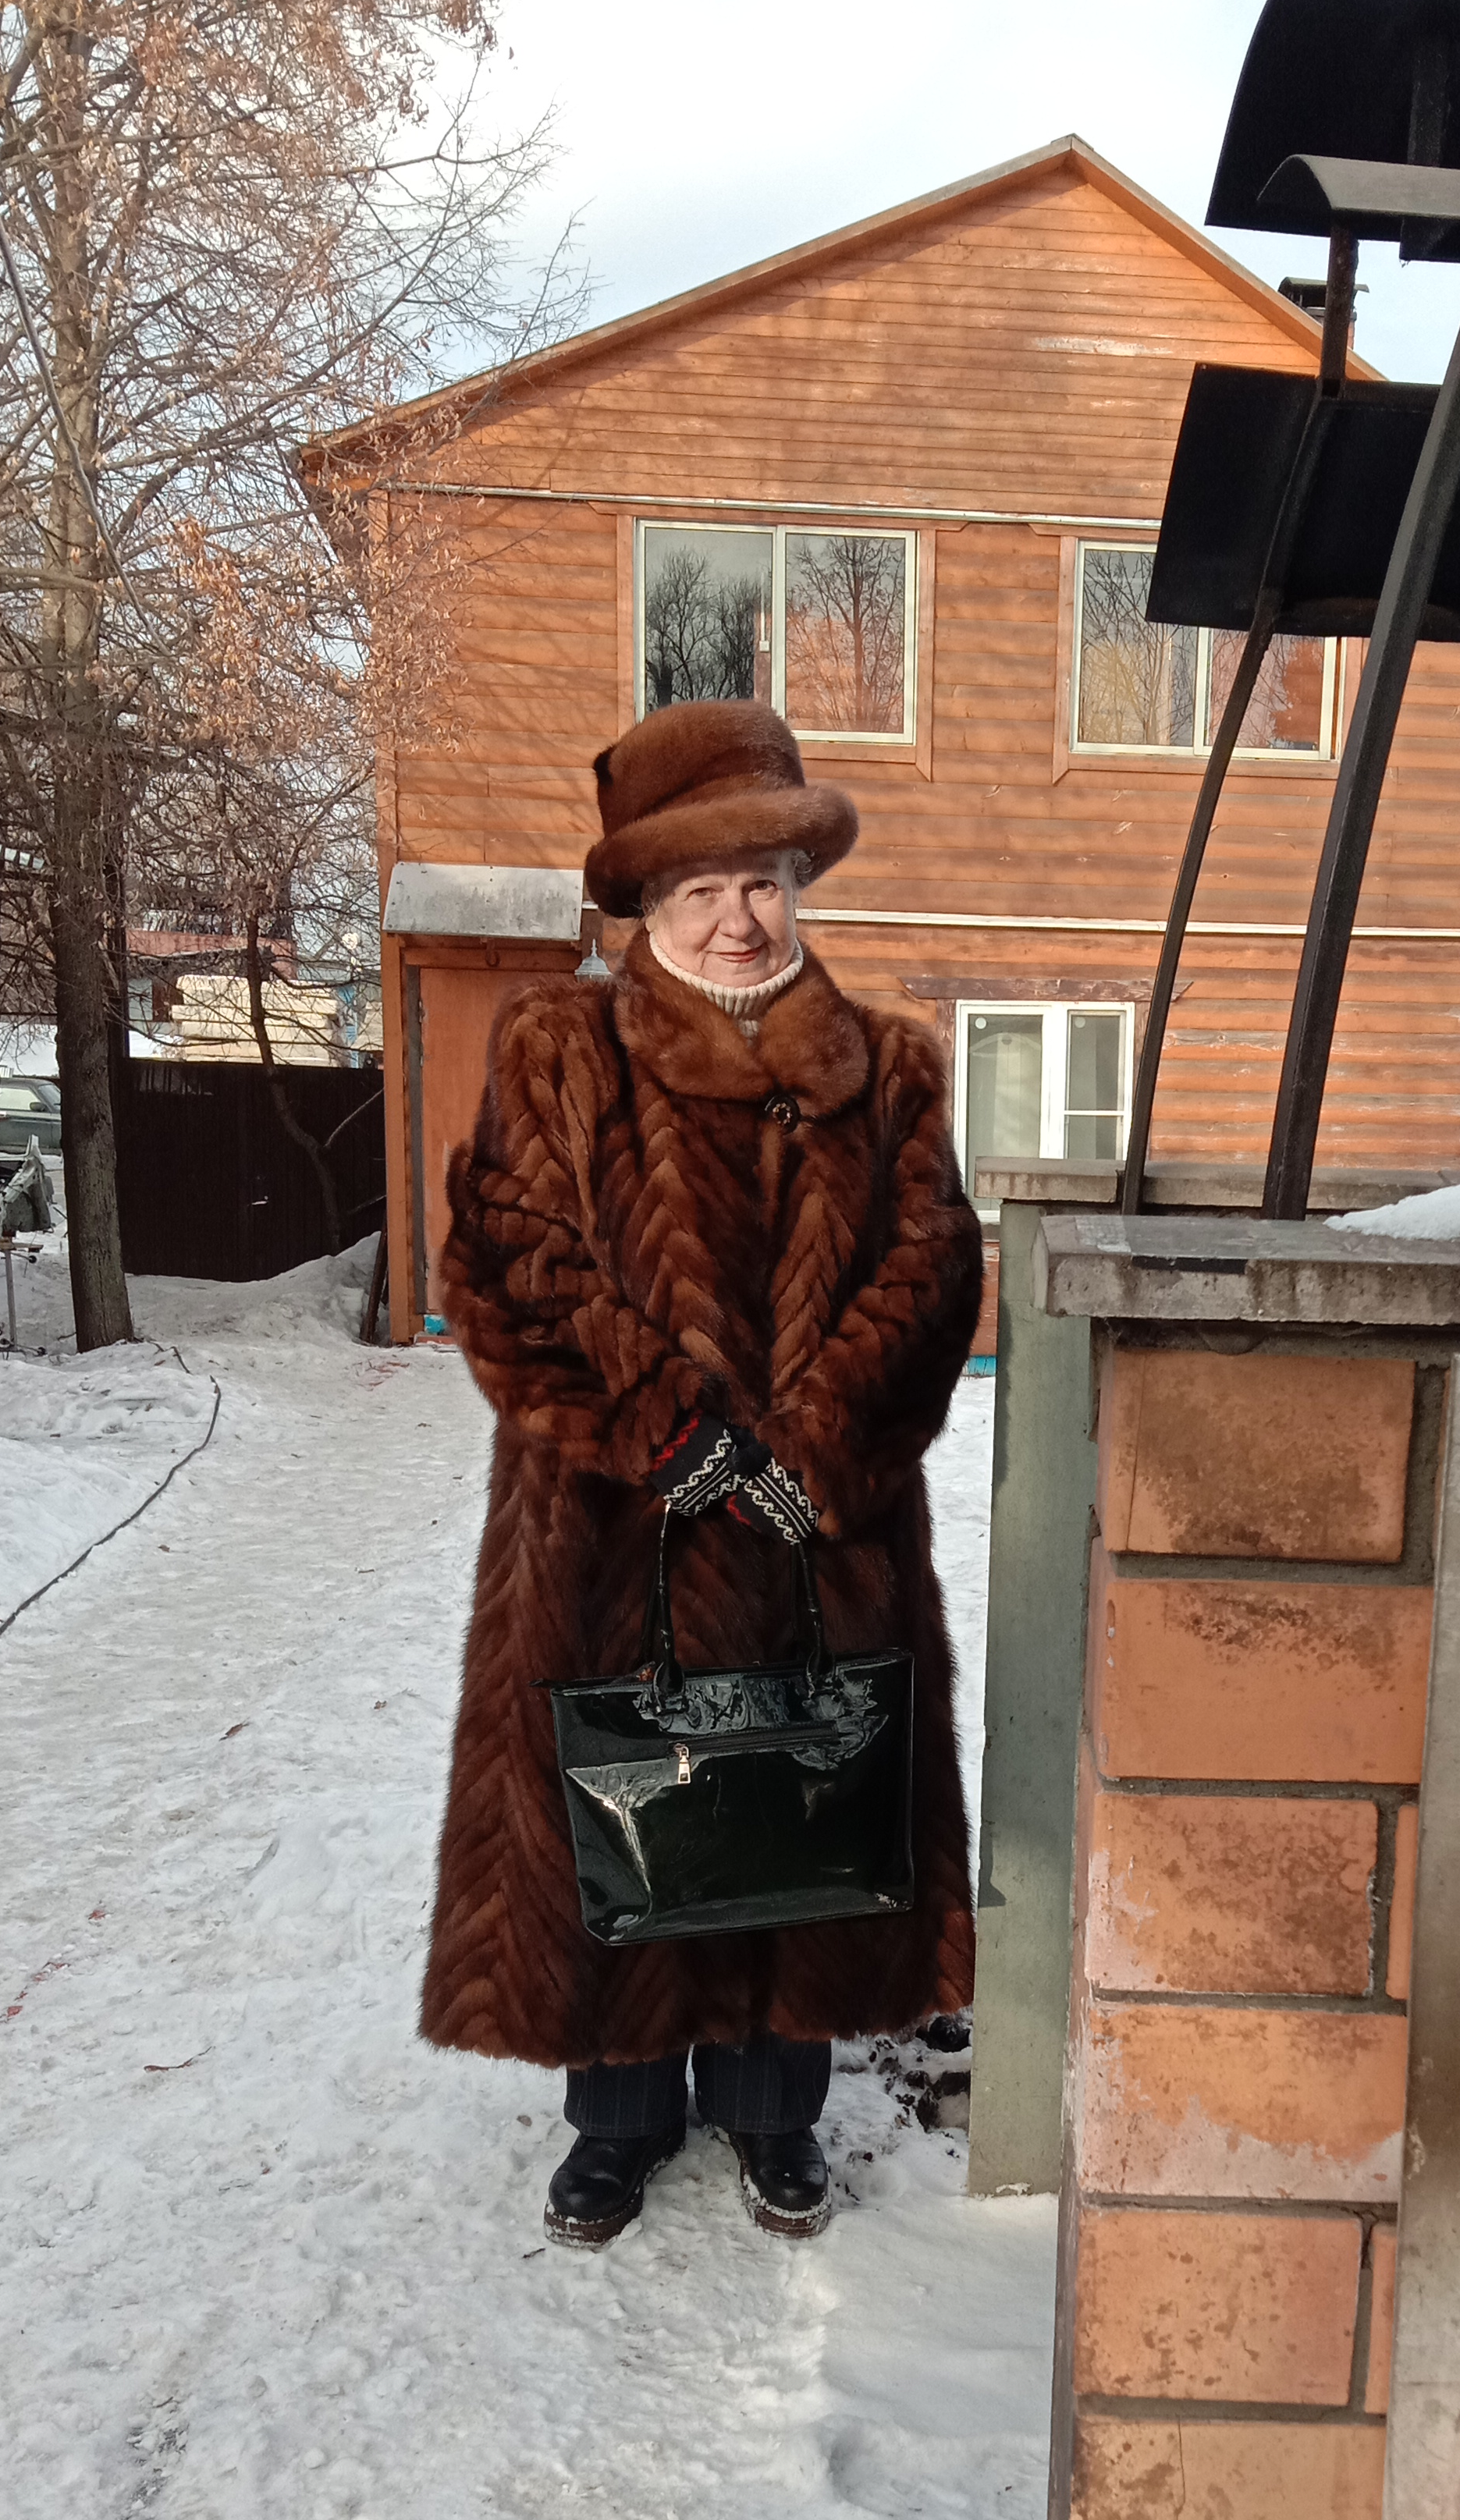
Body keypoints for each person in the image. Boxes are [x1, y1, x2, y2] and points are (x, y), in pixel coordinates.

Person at [419, 701, 983, 2246]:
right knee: (615, 1805)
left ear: (799, 888)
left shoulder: (891, 1069)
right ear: (646, 905)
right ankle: (617, 2124)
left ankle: (772, 2113)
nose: (739, 919)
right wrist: (672, 1432)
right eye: (700, 890)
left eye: (764, 883)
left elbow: (929, 1272)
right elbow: (511, 1257)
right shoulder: (559, 1049)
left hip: (819, 1529)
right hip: (607, 1527)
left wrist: (809, 1450)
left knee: (796, 1800)